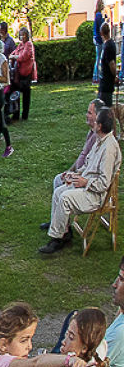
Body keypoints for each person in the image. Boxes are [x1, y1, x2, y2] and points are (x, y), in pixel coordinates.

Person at [40, 105, 119, 256]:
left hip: (96, 196)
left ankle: (57, 239)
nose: (93, 123)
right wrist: (74, 175)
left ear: (100, 126)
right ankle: (63, 234)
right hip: (87, 185)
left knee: (64, 197)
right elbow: (88, 165)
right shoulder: (99, 140)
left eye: (96, 122)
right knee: (59, 191)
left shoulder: (109, 149)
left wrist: (85, 182)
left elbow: (103, 183)